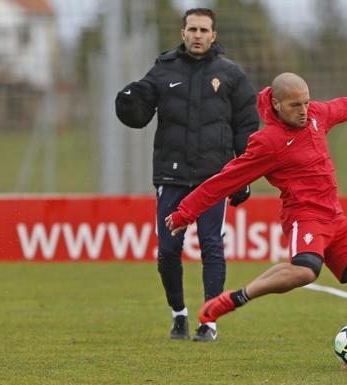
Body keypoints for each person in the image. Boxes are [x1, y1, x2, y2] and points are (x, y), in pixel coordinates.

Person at [166, 72, 347, 370]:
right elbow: (225, 179)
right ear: (276, 104)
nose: (303, 110)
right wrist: (186, 212)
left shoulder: (316, 115)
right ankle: (236, 298)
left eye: (306, 102)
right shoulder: (267, 142)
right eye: (295, 105)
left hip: (335, 218)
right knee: (305, 271)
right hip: (304, 217)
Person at [115, 8, 259, 342]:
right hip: (172, 177)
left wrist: (244, 174)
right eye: (191, 29)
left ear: (214, 35)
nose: (197, 35)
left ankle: (209, 322)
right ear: (182, 34)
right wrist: (126, 101)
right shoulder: (163, 70)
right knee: (167, 251)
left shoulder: (231, 75)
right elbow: (139, 110)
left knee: (212, 247)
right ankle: (178, 314)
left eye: (203, 30)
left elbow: (247, 128)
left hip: (214, 178)